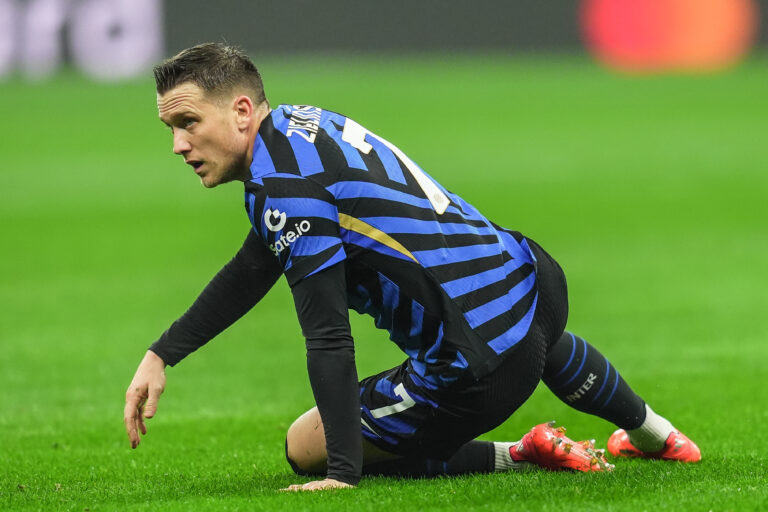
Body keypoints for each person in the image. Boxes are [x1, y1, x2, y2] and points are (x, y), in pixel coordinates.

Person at [123, 43, 700, 492]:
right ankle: (660, 437)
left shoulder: (286, 187)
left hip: (478, 368)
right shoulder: (302, 123)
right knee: (511, 317)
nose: (178, 144)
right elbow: (255, 265)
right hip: (535, 287)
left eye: (188, 122)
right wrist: (163, 352)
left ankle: (522, 452)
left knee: (304, 443)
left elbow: (327, 335)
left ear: (241, 111)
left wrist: (342, 472)